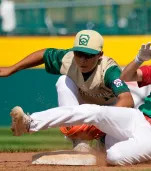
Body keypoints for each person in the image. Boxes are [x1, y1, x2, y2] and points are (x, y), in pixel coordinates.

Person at [10, 29, 151, 166]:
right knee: (95, 111)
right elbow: (127, 76)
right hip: (137, 119)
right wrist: (139, 59)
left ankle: (101, 146)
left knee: (113, 156)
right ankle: (29, 123)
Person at [0, 29, 134, 163]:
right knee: (63, 81)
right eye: (79, 53)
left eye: (88, 55)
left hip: (110, 110)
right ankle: (77, 140)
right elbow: (44, 54)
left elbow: (127, 100)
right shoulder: (69, 59)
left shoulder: (109, 70)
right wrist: (12, 69)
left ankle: (102, 142)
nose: (82, 60)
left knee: (113, 155)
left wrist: (101, 119)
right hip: (81, 107)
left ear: (99, 55)